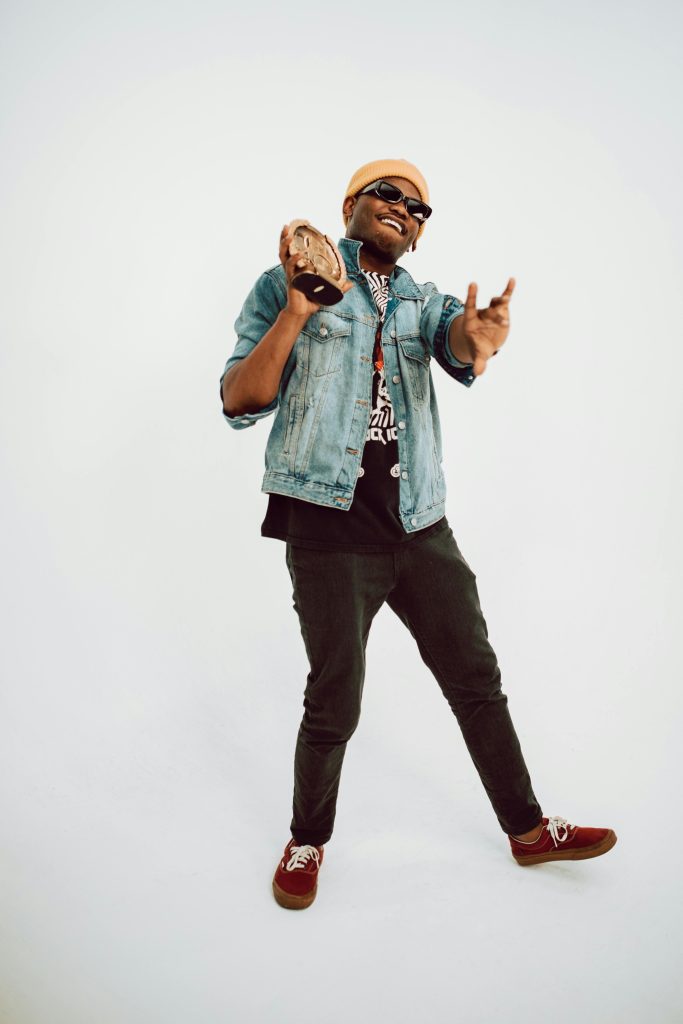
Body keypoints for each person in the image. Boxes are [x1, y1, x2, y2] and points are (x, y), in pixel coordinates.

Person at [220, 159, 616, 911]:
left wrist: (477, 338)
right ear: (351, 206)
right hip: (328, 531)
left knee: (476, 681)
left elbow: (457, 345)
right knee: (334, 699)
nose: (405, 208)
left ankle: (527, 831)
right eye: (388, 194)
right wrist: (299, 312)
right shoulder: (284, 283)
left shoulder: (418, 300)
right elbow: (240, 398)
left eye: (419, 207)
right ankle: (307, 840)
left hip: (418, 526)